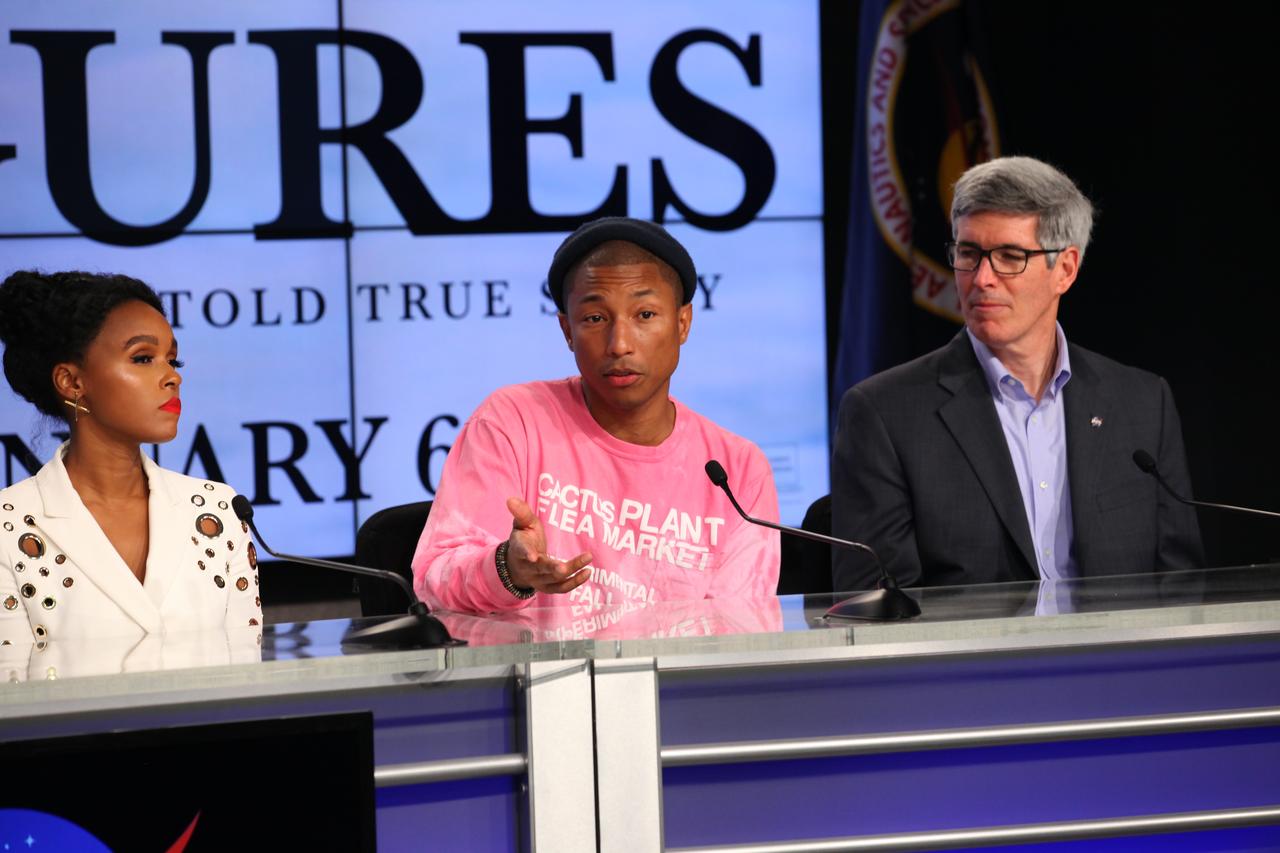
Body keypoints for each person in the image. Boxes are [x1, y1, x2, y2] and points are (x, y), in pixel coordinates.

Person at [832, 156, 1203, 591]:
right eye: (969, 254)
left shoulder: (1142, 403)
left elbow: (1182, 585)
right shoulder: (885, 414)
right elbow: (878, 604)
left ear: (1065, 269)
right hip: (972, 659)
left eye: (1010, 257)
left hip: (1117, 658)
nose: (982, 278)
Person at [413, 217, 780, 614]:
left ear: (682, 322)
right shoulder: (511, 423)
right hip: (526, 674)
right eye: (595, 319)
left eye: (644, 315)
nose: (619, 344)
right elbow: (433, 581)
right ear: (567, 330)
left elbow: (739, 630)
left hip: (673, 677)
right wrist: (507, 569)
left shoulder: (737, 471)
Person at [0, 271, 261, 643]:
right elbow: (10, 692)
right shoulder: (8, 528)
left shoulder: (218, 511)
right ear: (72, 382)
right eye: (142, 358)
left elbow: (247, 674)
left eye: (173, 360)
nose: (172, 377)